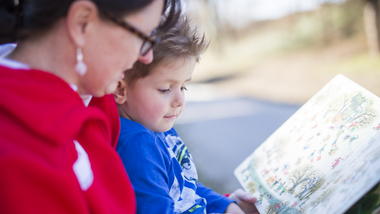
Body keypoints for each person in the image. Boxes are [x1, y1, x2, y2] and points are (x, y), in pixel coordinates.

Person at [0, 0, 181, 213]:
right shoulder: (21, 154)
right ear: (82, 23)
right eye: (142, 36)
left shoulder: (96, 98)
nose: (146, 56)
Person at [113, 15, 259, 214]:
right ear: (121, 90)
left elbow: (184, 188)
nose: (180, 100)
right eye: (165, 89)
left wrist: (226, 205)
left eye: (184, 87)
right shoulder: (137, 145)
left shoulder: (157, 129)